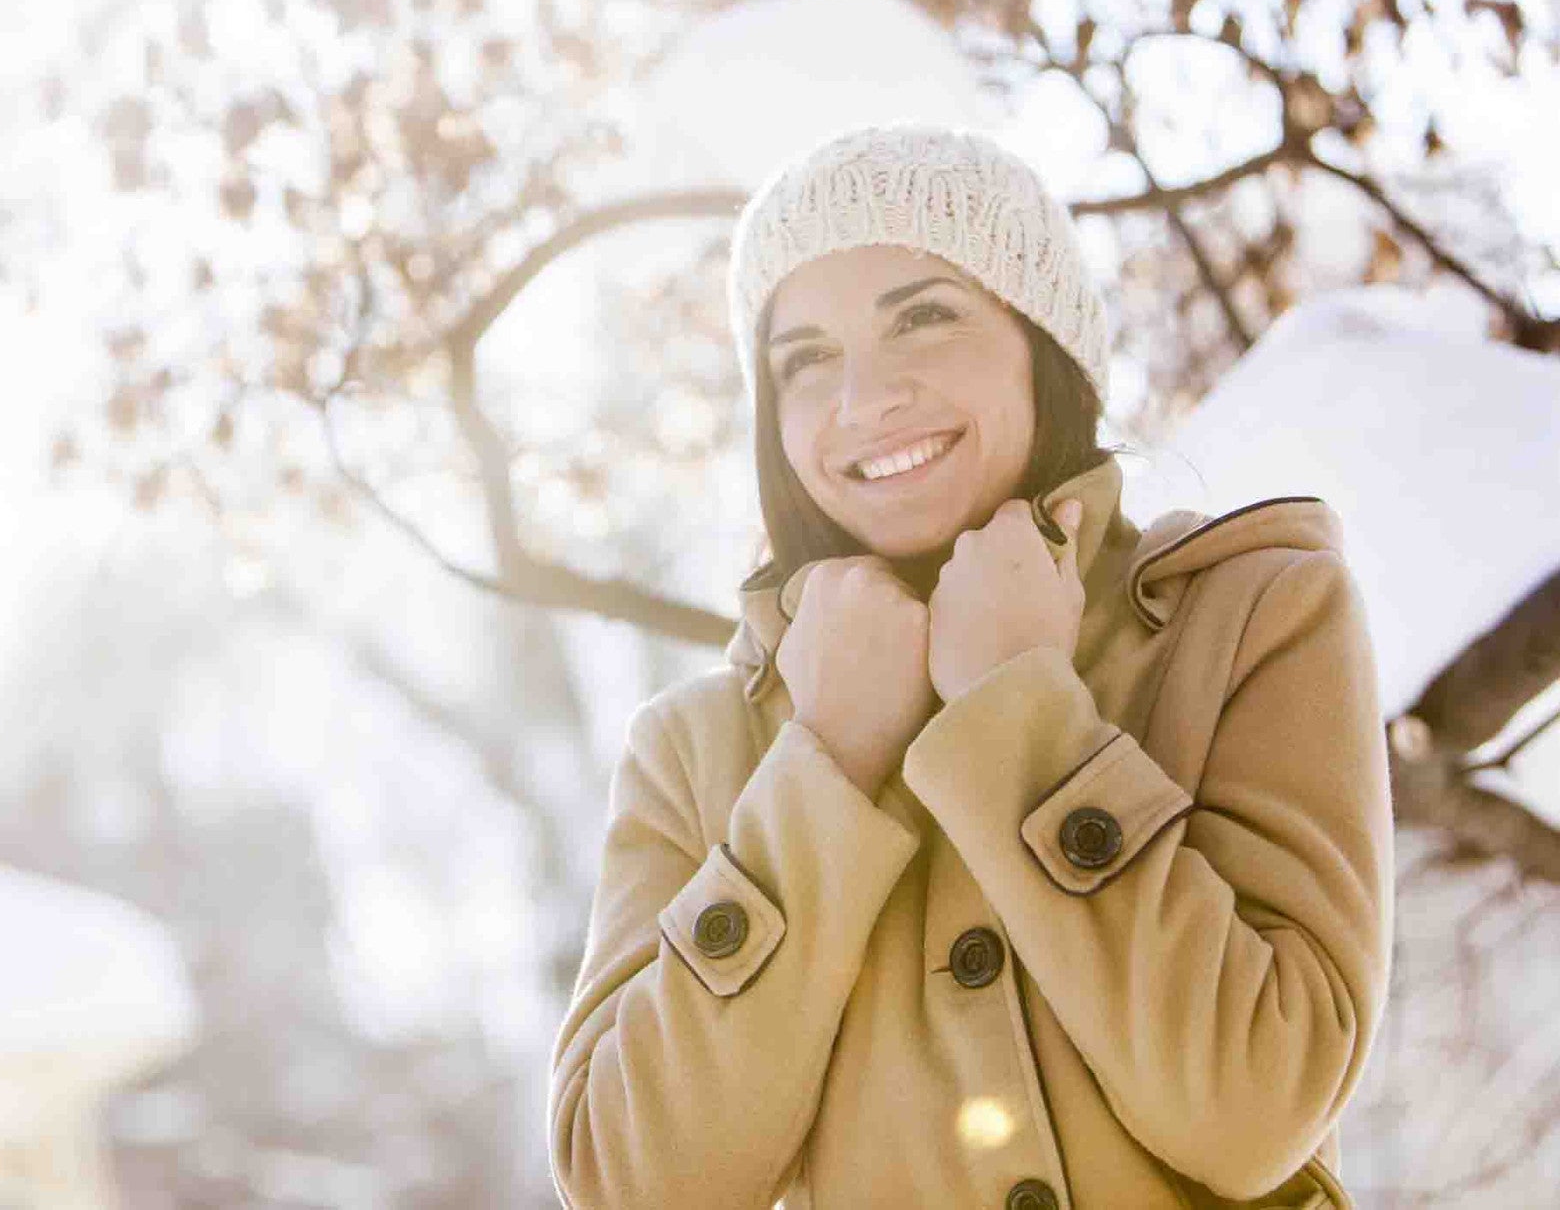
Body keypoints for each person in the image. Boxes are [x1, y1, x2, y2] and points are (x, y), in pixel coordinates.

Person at [545, 122, 1394, 1209]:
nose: (863, 399)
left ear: (1043, 345)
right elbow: (631, 1185)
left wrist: (1018, 716)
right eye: (804, 361)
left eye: (924, 318)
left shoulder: (1251, 617)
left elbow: (1254, 1107)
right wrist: (822, 771)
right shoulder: (695, 751)